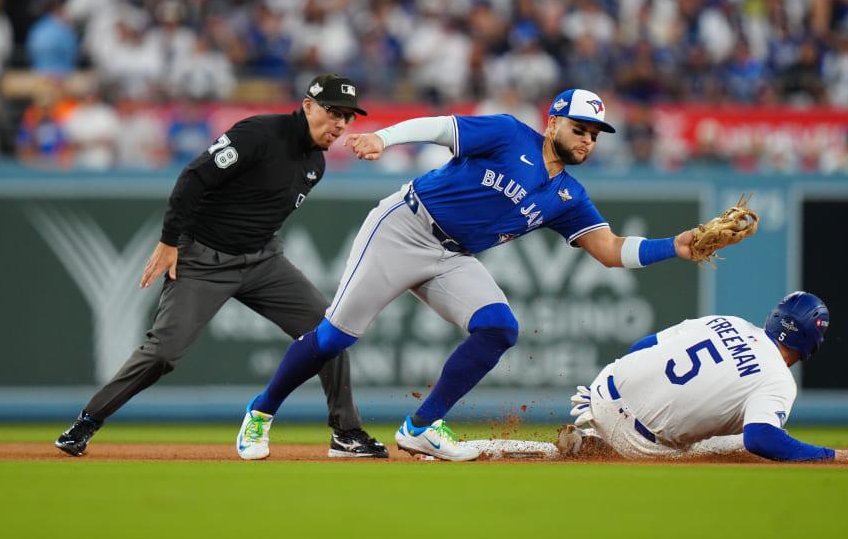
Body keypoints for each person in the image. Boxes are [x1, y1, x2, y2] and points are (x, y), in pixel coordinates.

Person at [237, 89, 724, 462]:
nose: (587, 140)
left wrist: (676, 247)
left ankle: (422, 427)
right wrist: (383, 138)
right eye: (580, 128)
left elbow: (611, 250)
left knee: (498, 327)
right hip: (404, 227)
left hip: (452, 256)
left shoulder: (568, 196)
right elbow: (438, 128)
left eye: (595, 135)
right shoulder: (510, 134)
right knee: (335, 336)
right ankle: (260, 412)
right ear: (553, 121)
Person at [55, 74, 388, 459]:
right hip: (203, 260)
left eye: (348, 118)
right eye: (335, 113)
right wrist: (169, 242)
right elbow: (194, 177)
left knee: (330, 330)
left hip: (263, 261)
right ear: (309, 105)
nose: (342, 125)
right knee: (163, 352)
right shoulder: (259, 133)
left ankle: (346, 432)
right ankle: (87, 421)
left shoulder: (315, 163)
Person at [559, 291, 848, 462]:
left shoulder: (728, 321)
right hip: (637, 443)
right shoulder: (779, 380)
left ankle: (592, 439)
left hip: (601, 390)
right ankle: (604, 442)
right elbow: (761, 439)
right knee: (740, 446)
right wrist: (830, 456)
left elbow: (644, 346)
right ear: (812, 342)